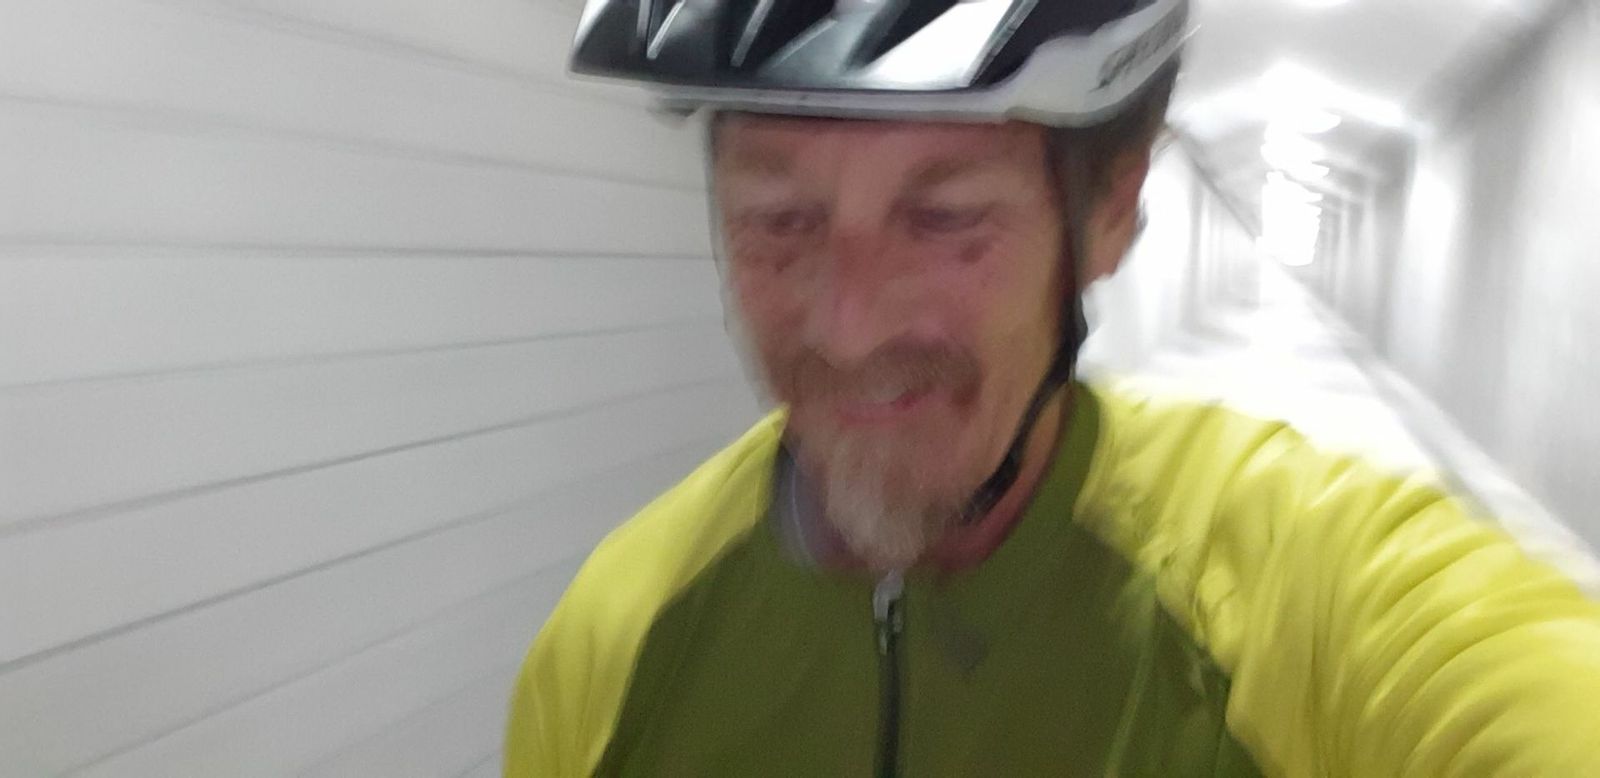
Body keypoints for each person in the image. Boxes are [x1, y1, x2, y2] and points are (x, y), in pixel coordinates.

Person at [506, 0, 1600, 774]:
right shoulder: (614, 638)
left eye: (945, 219)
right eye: (778, 220)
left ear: (1110, 213)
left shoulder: (1299, 597)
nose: (848, 326)